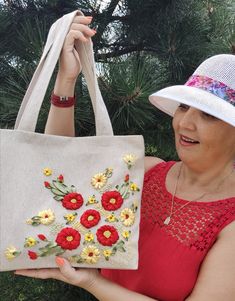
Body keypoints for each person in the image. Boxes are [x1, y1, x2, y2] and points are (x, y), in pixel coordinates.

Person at [15, 15, 235, 301]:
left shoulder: (229, 222)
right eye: (183, 107)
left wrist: (92, 283)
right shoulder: (146, 173)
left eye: (207, 115)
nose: (184, 123)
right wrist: (66, 80)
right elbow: (60, 170)